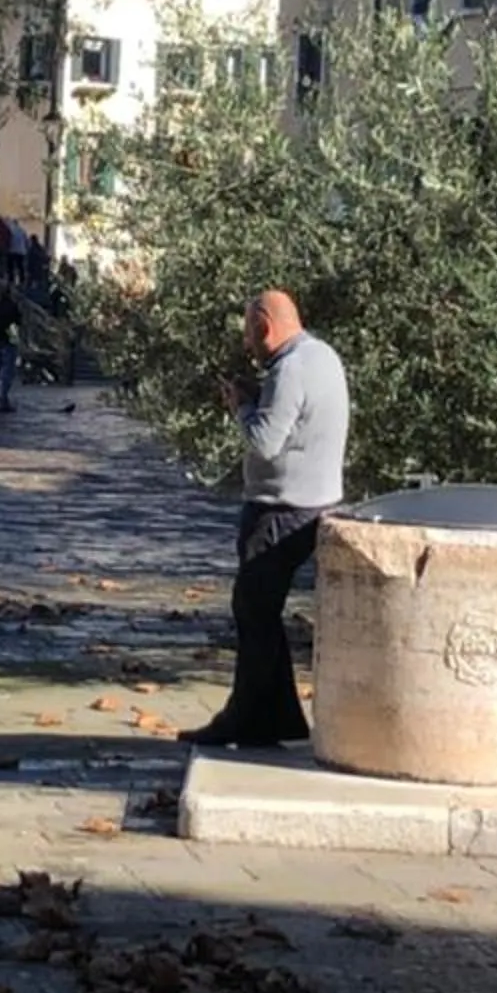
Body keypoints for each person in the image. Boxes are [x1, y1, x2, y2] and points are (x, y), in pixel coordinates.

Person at [181, 289, 351, 750]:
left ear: (264, 326)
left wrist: (241, 405)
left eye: (248, 334)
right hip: (318, 503)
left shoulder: (289, 369)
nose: (247, 346)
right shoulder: (323, 356)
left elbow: (265, 441)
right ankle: (279, 718)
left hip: (280, 509)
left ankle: (243, 719)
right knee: (261, 612)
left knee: (253, 612)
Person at [0, 282, 21, 413]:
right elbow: (17, 323)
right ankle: (3, 399)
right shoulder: (12, 307)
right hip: (7, 341)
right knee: (7, 372)